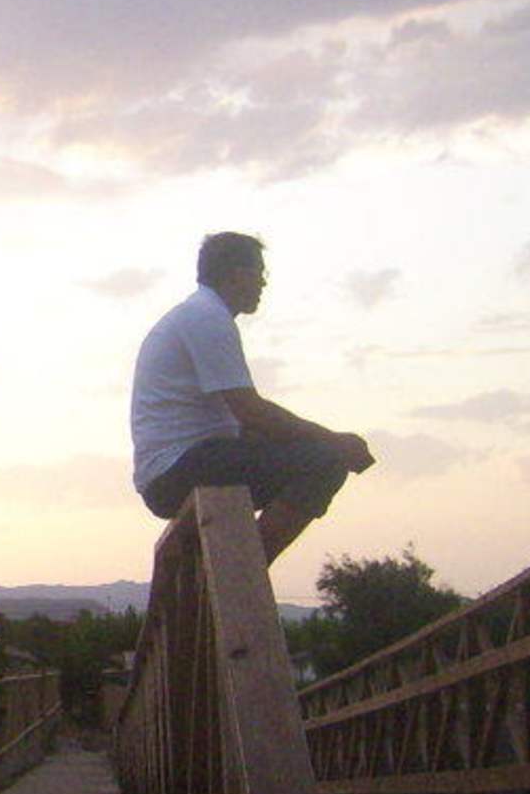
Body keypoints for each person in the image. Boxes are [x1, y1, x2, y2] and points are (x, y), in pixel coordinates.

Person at [131, 232, 374, 563]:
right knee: (324, 461)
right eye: (259, 272)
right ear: (236, 274)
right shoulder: (208, 318)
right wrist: (334, 441)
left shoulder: (197, 314)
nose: (263, 283)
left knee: (304, 451)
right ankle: (244, 568)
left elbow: (246, 423)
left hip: (177, 466)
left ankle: (236, 563)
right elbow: (252, 412)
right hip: (179, 469)